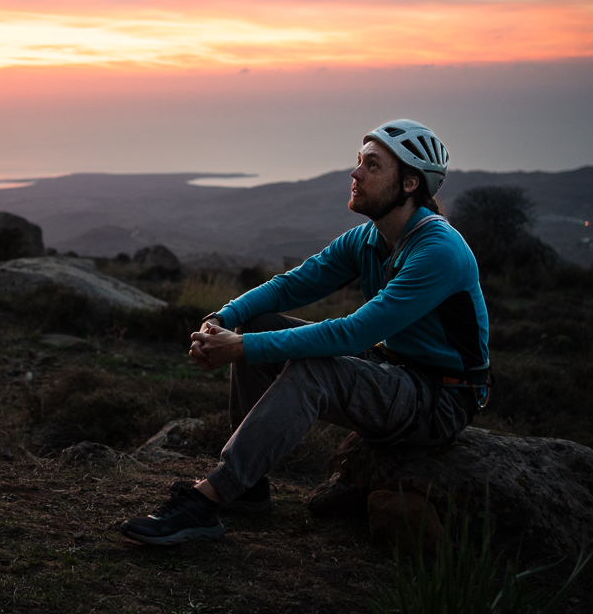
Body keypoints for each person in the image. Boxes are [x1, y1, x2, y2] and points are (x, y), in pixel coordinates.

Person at [120, 119, 490, 546]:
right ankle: (249, 487)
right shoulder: (370, 238)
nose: (355, 174)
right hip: (394, 370)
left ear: (409, 184)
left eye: (372, 166)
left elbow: (352, 334)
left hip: (440, 397)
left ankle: (207, 501)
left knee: (313, 369)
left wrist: (240, 349)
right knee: (258, 322)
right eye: (358, 162)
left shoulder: (438, 251)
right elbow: (291, 285)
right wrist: (224, 318)